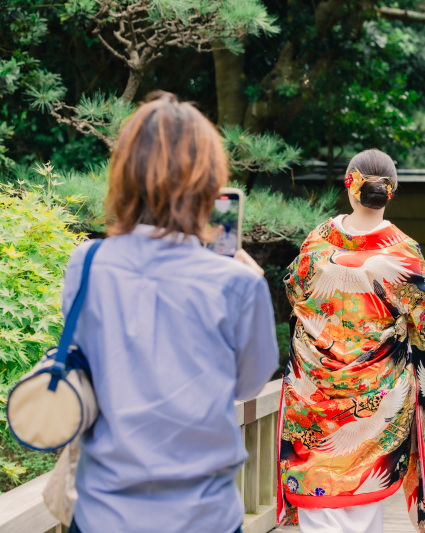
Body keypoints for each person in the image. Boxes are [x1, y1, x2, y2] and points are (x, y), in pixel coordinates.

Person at [62, 92, 279, 533]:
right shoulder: (239, 283)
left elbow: (84, 359)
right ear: (209, 184)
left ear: (124, 175)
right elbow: (249, 383)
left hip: (105, 512)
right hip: (204, 515)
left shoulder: (86, 264)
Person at [277, 149, 425, 533]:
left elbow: (294, 291)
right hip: (376, 392)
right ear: (390, 191)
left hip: (315, 389)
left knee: (318, 489)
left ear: (349, 185)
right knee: (365, 500)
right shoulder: (403, 252)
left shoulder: (317, 244)